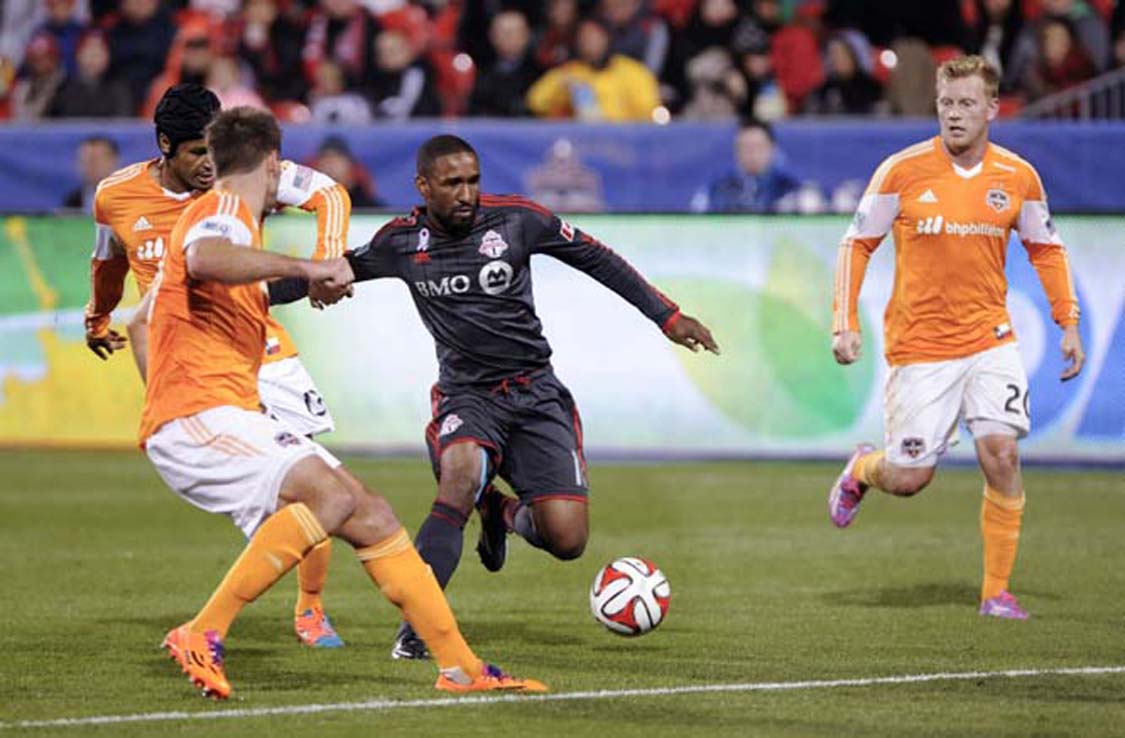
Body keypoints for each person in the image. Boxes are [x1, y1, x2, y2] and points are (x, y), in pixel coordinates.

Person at [146, 107, 545, 699]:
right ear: (273, 165)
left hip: (218, 411)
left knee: (373, 515)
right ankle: (203, 632)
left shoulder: (226, 218)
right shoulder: (223, 210)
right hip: (199, 417)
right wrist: (309, 267)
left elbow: (139, 320)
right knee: (331, 495)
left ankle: (460, 668)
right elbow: (205, 260)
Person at [271, 134, 719, 660]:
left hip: (536, 392)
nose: (466, 193)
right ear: (423, 186)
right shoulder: (402, 241)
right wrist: (245, 290)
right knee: (458, 482)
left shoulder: (517, 221)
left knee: (567, 540)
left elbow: (597, 258)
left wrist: (666, 315)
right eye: (452, 183)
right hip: (468, 395)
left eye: (473, 181)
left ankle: (501, 512)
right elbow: (330, 272)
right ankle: (421, 624)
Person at [83, 83, 351, 649]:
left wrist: (327, 259)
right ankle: (214, 624)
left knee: (315, 475)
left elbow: (329, 192)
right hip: (185, 358)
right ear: (163, 146)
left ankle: (310, 608)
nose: (210, 165)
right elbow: (108, 262)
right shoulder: (116, 196)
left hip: (258, 346)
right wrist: (97, 317)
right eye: (195, 154)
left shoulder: (245, 170)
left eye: (213, 150)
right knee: (277, 492)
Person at [827, 56, 1084, 620]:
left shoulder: (1018, 176)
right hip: (919, 347)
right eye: (947, 104)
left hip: (990, 340)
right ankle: (863, 470)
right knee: (911, 478)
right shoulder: (901, 170)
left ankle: (996, 592)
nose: (955, 115)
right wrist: (844, 321)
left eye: (967, 104)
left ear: (992, 109)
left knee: (1002, 453)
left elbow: (1046, 249)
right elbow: (857, 243)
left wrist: (1068, 322)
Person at [526, 17, 660, 122]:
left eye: (594, 37)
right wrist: (560, 84)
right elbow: (536, 102)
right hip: (584, 143)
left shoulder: (632, 71)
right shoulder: (571, 71)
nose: (589, 43)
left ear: (607, 38)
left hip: (625, 143)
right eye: (584, 38)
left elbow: (648, 111)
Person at [694, 118, 801, 213]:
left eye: (758, 146)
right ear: (736, 151)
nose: (752, 154)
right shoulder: (717, 188)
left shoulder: (789, 189)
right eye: (746, 147)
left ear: (772, 149)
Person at [63, 136, 119, 211]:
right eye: (85, 161)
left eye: (95, 160)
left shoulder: (132, 197)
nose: (90, 166)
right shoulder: (73, 200)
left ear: (113, 161)